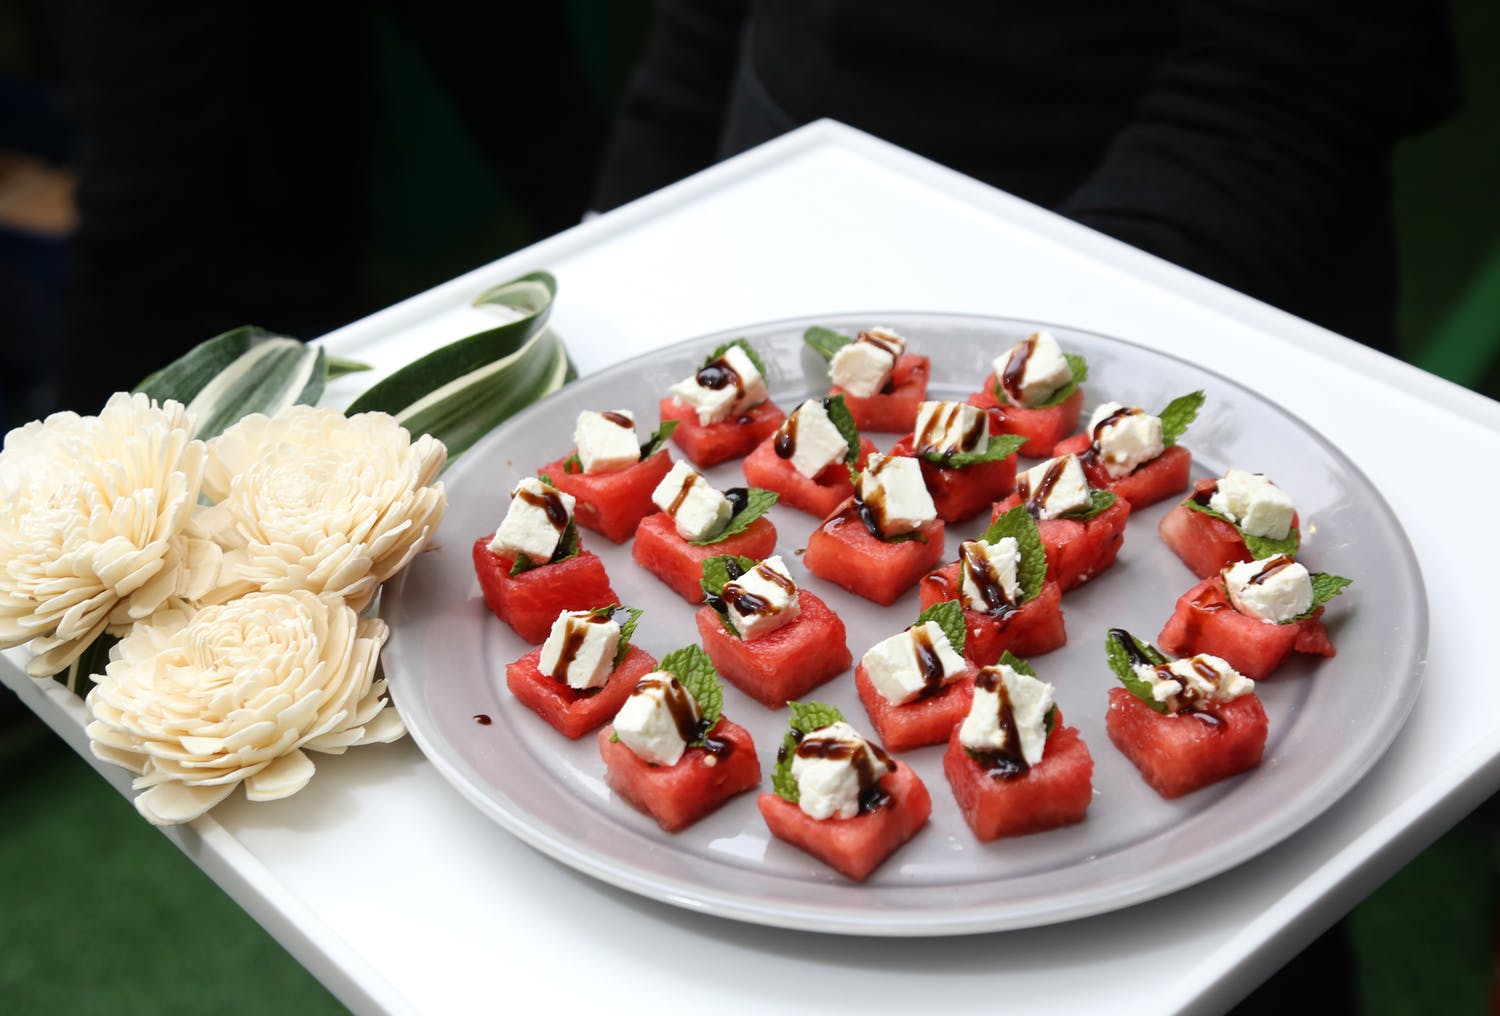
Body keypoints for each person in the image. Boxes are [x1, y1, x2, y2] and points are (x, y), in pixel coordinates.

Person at [590, 0, 1461, 354]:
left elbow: (1297, 69)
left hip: (1168, 239)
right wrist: (619, 231)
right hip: (762, 196)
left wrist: (1039, 387)